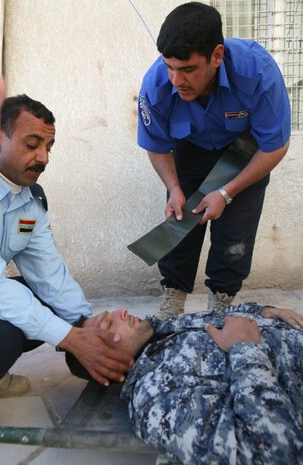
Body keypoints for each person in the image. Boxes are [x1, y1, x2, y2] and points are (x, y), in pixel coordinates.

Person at [137, 2, 291, 318]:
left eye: (188, 69)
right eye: (170, 67)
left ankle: (221, 304)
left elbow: (274, 146)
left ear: (217, 56)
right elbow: (156, 144)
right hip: (190, 148)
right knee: (180, 219)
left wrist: (225, 192)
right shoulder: (156, 84)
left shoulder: (258, 71)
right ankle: (173, 298)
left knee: (234, 236)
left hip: (246, 151)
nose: (176, 80)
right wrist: (174, 188)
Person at [0, 94, 133, 399]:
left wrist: (85, 323)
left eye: (48, 148)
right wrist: (72, 339)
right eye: (32, 145)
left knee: (46, 305)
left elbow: (49, 274)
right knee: (3, 331)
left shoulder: (30, 200)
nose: (43, 158)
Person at [67, 304, 303, 465]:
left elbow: (224, 314)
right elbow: (274, 453)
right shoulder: (158, 398)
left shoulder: (164, 329)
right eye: (108, 325)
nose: (122, 310)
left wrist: (266, 311)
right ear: (104, 363)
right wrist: (246, 349)